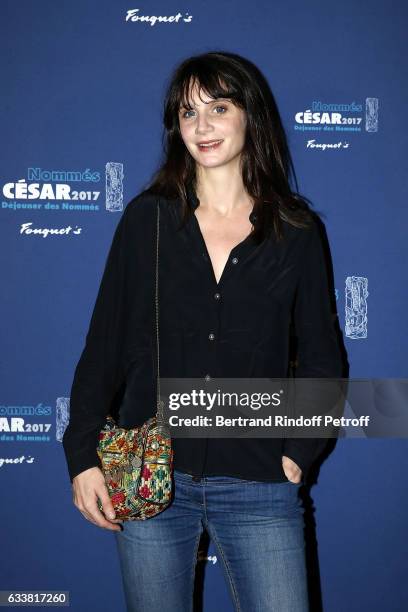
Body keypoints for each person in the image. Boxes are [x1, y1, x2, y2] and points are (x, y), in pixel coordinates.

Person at [62, 51, 344, 612]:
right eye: (188, 113)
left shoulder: (295, 231)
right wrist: (82, 455)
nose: (203, 126)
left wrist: (297, 453)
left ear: (250, 116)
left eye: (218, 107)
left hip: (261, 484)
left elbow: (322, 358)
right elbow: (105, 344)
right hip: (154, 476)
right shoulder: (148, 221)